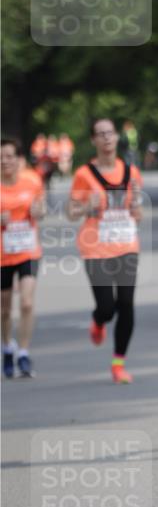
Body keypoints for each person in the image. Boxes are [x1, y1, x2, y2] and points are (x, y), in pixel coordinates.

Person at [67, 119, 143, 383]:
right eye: (100, 134)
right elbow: (71, 212)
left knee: (126, 305)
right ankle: (99, 321)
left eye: (110, 133)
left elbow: (139, 210)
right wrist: (88, 204)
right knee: (107, 307)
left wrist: (137, 211)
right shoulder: (84, 174)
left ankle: (118, 364)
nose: (106, 138)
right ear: (93, 141)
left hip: (126, 245)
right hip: (95, 247)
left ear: (116, 137)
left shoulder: (131, 171)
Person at [1, 138, 46, 378]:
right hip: (2, 256)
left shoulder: (32, 180)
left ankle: (24, 352)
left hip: (28, 250)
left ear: (19, 159)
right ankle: (7, 347)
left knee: (27, 303)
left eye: (9, 156)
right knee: (4, 309)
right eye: (0, 158)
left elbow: (42, 207)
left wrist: (38, 211)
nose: (5, 161)